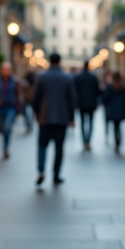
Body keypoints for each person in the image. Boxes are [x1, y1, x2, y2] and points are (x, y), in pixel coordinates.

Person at [33, 53, 77, 186]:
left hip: (45, 117)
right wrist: (72, 118)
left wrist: (37, 112)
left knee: (42, 145)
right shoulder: (67, 78)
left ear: (49, 61)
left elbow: (36, 97)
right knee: (59, 147)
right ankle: (56, 174)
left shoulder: (42, 77)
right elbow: (72, 100)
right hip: (61, 119)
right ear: (60, 61)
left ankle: (41, 170)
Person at [0, 62, 23, 159]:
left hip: (11, 107)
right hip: (0, 107)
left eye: (8, 69)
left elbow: (18, 94)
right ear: (1, 70)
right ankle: (5, 147)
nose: (6, 71)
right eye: (4, 69)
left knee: (7, 127)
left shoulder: (15, 81)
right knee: (3, 129)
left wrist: (20, 108)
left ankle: (6, 148)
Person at [74, 61, 101, 150]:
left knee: (82, 123)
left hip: (81, 103)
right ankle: (88, 141)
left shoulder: (78, 77)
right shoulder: (93, 77)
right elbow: (97, 91)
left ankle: (84, 141)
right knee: (90, 123)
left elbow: (75, 91)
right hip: (91, 103)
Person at [102, 71, 125, 153]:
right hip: (121, 109)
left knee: (115, 126)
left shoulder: (110, 86)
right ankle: (118, 141)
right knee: (118, 126)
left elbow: (105, 98)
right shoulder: (123, 86)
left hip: (113, 109)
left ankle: (117, 142)